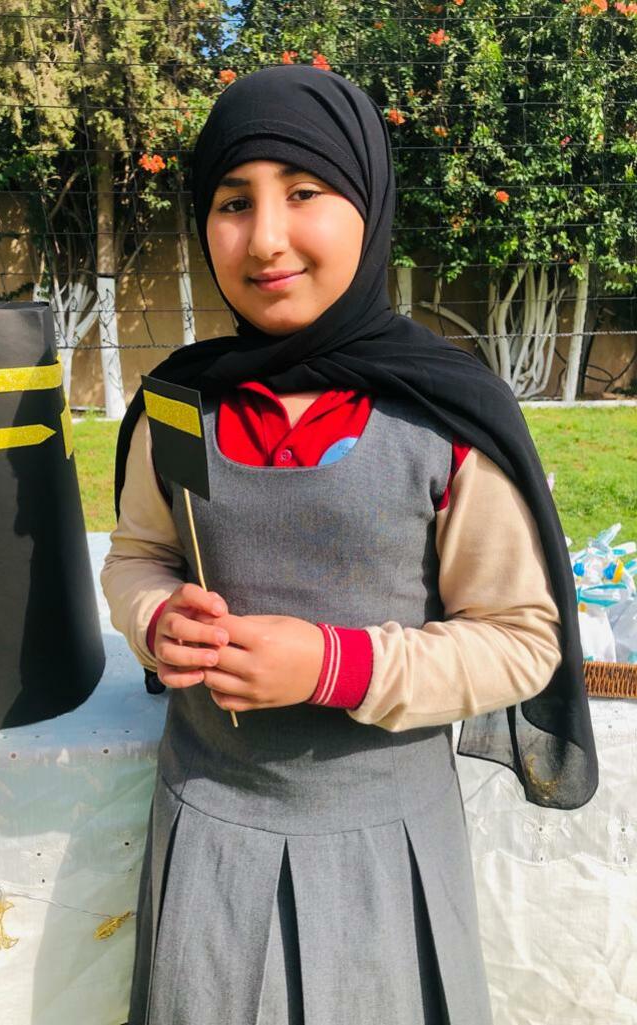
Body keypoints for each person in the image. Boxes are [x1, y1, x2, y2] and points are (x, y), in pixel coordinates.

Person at [102, 65, 597, 1025]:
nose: (266, 237)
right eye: (233, 201)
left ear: (368, 202)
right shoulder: (180, 405)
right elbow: (138, 556)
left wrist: (335, 664)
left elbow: (521, 638)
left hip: (386, 851)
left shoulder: (445, 415)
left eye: (304, 192)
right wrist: (157, 618)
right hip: (208, 838)